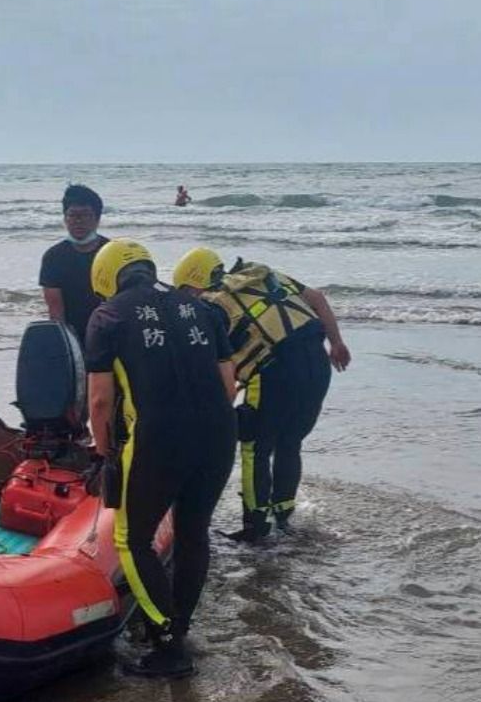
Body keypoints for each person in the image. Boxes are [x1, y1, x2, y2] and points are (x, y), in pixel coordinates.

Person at [85, 239, 236, 679]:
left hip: (158, 439)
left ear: (106, 277)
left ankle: (168, 645)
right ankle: (180, 626)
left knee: (132, 540)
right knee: (193, 532)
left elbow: (99, 400)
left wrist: (102, 451)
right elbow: (228, 383)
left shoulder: (107, 316)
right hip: (218, 434)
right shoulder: (204, 309)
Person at [173, 247, 351, 542]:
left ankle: (255, 525)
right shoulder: (263, 274)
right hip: (318, 364)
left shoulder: (213, 304)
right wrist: (337, 344)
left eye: (186, 291)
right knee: (290, 442)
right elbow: (318, 298)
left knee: (255, 447)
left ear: (195, 281)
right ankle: (283, 515)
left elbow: (220, 361)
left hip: (274, 373)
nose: (188, 299)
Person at [39, 183, 108, 342]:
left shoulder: (111, 253)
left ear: (97, 218)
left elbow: (123, 301)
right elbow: (55, 310)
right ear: (65, 218)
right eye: (72, 215)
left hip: (109, 330)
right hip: (73, 332)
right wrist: (65, 342)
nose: (78, 221)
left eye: (85, 215)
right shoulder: (54, 257)